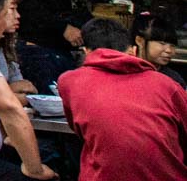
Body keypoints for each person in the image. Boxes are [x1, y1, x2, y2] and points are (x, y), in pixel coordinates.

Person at [59, 17, 187, 181]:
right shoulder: (169, 86)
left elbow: (80, 130)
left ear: (86, 52)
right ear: (132, 51)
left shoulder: (69, 81)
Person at [0, 0, 57, 181]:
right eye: (9, 12)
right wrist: (35, 170)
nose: (14, 18)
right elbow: (9, 107)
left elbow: (21, 92)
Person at [133, 11, 187, 89]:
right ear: (140, 41)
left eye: (172, 45)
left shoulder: (174, 80)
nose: (169, 50)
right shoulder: (124, 70)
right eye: (162, 43)